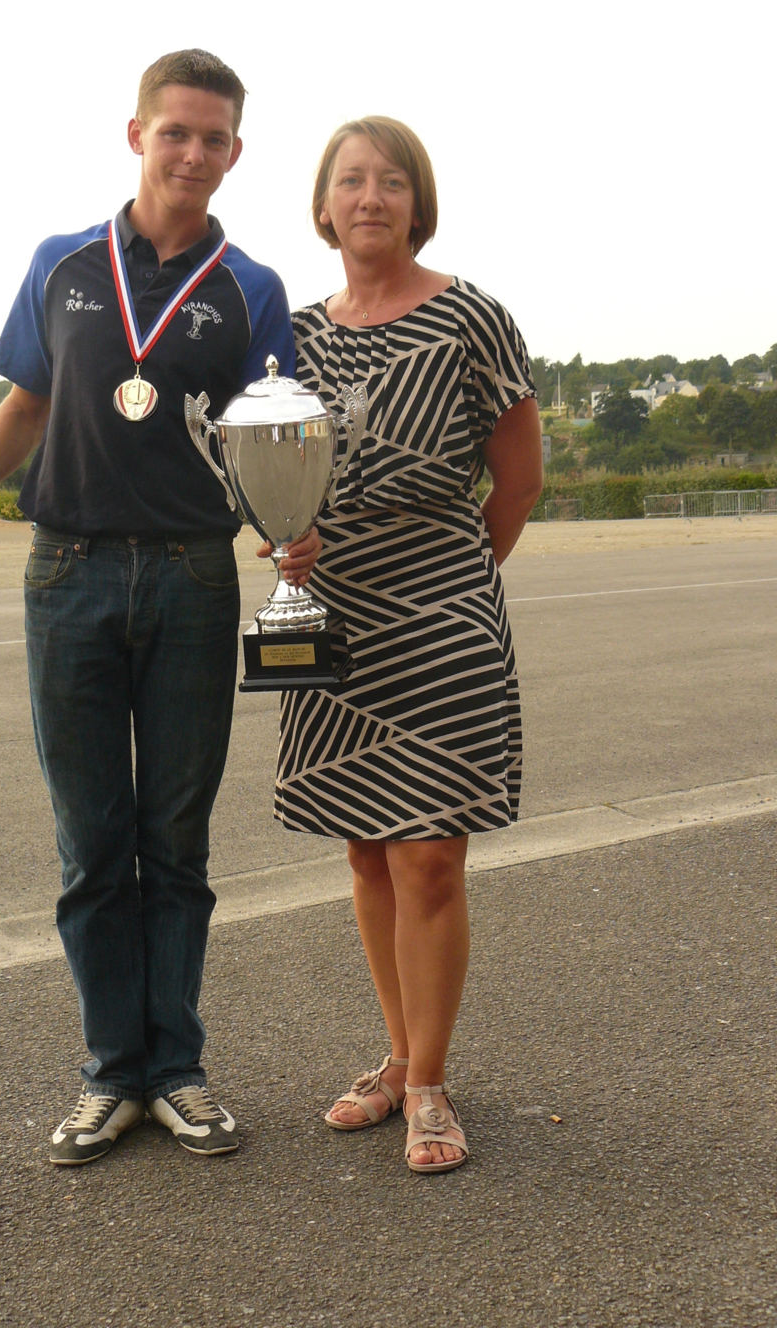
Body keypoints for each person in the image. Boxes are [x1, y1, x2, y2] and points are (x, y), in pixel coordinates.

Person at [0, 49, 318, 1165]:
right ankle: (108, 1072)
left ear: (236, 153)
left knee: (174, 845)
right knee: (91, 846)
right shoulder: (63, 263)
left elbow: (272, 437)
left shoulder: (252, 286)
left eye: (213, 138)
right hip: (67, 572)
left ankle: (175, 1067)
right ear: (135, 135)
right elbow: (26, 405)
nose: (192, 153)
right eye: (174, 131)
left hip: (190, 572)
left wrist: (292, 526)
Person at [273, 117, 543, 1173]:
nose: (371, 197)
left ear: (417, 201)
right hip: (334, 620)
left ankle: (428, 1082)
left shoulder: (471, 317)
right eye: (351, 181)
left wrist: (455, 582)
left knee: (431, 853)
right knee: (366, 848)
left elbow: (517, 481)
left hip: (441, 621)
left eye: (392, 181)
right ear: (325, 205)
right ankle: (395, 1056)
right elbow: (272, 469)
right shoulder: (290, 338)